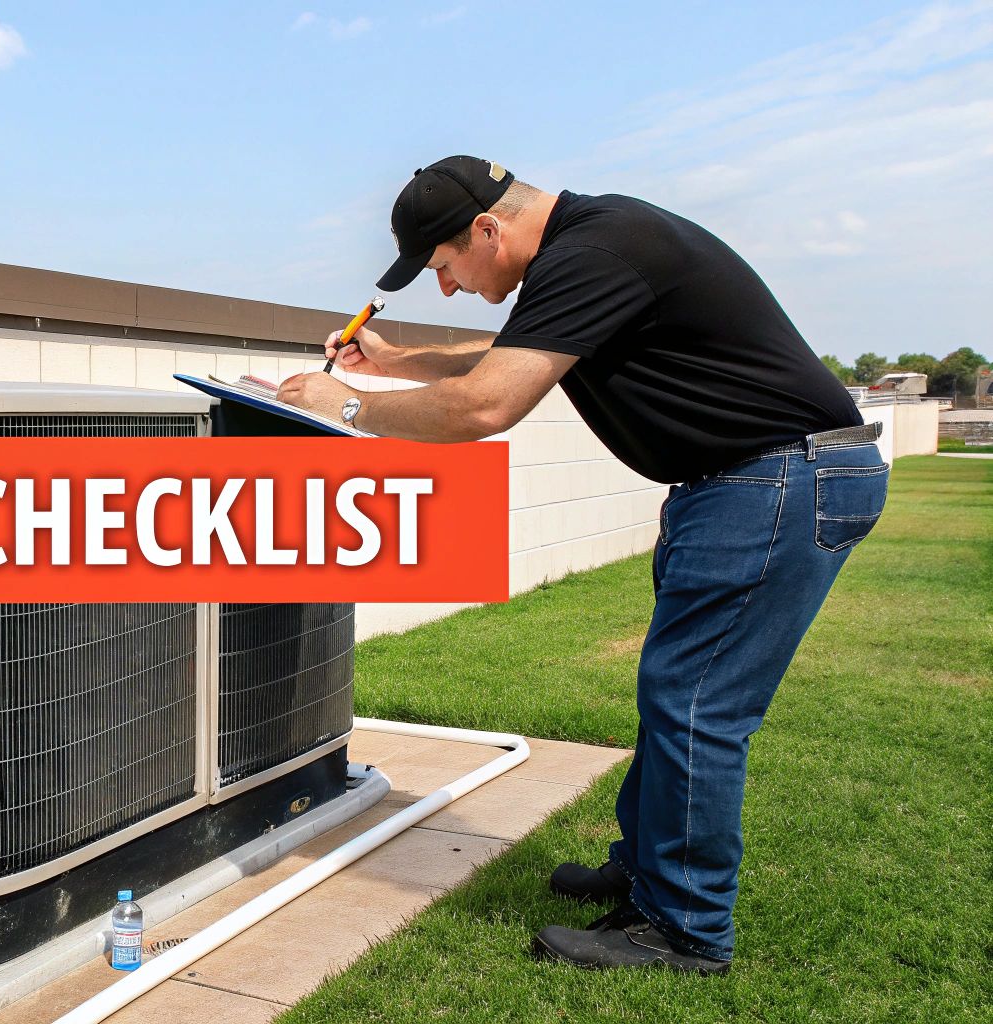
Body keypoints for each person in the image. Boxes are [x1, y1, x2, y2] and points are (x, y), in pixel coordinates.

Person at [278, 156, 887, 974]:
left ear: (489, 231)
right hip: (756, 479)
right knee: (675, 693)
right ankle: (648, 875)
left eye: (446, 268)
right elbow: (499, 356)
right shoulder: (594, 243)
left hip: (775, 478)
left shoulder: (595, 251)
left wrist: (345, 403)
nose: (448, 289)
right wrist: (390, 361)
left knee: (696, 705)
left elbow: (489, 403)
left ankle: (685, 931)